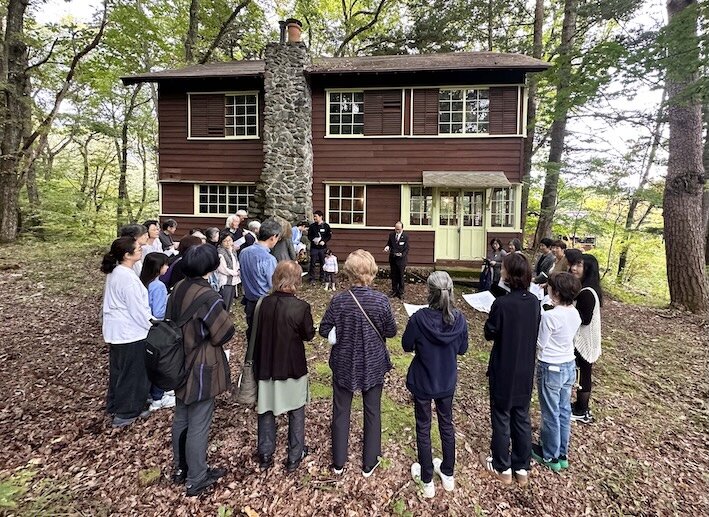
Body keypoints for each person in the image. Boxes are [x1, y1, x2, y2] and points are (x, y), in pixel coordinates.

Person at [319, 250, 397, 477]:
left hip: (345, 361)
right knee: (372, 411)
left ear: (349, 273)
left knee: (341, 411)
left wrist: (340, 330)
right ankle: (369, 462)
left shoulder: (339, 301)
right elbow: (391, 331)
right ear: (371, 272)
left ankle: (339, 462)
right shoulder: (380, 301)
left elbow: (324, 329)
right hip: (372, 362)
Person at [170, 244, 235, 497]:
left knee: (181, 416)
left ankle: (180, 468)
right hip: (200, 364)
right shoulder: (208, 296)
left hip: (177, 359)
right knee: (199, 421)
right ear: (210, 267)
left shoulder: (178, 287)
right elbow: (223, 332)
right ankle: (196, 477)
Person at [403, 272, 468, 498]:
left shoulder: (419, 318)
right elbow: (462, 349)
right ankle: (447, 474)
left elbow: (406, 345)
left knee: (424, 426)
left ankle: (428, 479)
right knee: (446, 424)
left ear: (428, 292)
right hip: (446, 380)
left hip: (424, 380)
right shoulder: (459, 319)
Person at [480, 253, 541, 486]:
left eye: (504, 269)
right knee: (521, 416)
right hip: (526, 367)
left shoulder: (502, 304)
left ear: (510, 274)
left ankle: (502, 466)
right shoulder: (534, 302)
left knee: (501, 415)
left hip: (504, 366)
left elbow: (490, 332)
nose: (502, 272)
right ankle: (522, 467)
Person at [254, 261, 316, 472]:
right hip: (291, 366)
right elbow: (309, 334)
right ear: (297, 280)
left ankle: (265, 453)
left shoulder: (263, 303)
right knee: (296, 410)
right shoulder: (300, 307)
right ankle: (294, 455)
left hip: (266, 364)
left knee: (266, 408)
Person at [101, 236, 153, 428]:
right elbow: (137, 310)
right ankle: (126, 412)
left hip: (119, 332)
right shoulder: (126, 278)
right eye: (137, 248)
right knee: (132, 373)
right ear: (127, 255)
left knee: (120, 370)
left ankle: (116, 405)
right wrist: (153, 325)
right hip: (130, 333)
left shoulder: (117, 272)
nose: (140, 250)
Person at [532, 272, 582, 473]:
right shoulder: (574, 313)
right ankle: (562, 453)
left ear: (557, 292)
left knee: (550, 412)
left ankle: (549, 454)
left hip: (551, 366)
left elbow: (540, 344)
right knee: (563, 410)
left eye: (550, 288)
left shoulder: (550, 316)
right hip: (568, 364)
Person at [139, 252, 176, 412]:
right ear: (158, 267)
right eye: (165, 265)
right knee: (161, 363)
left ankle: (151, 394)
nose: (167, 267)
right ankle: (158, 397)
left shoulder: (142, 282)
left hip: (143, 328)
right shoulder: (158, 286)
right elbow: (159, 312)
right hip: (157, 328)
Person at [569, 254, 603, 424]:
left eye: (579, 265)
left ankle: (581, 409)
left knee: (583, 375)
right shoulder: (586, 289)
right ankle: (580, 406)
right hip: (586, 340)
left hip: (584, 341)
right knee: (583, 373)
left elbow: (584, 319)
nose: (574, 268)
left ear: (588, 269)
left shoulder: (587, 293)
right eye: (574, 265)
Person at [239, 218, 280, 341]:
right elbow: (273, 285)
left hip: (249, 301)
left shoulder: (244, 252)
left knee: (252, 336)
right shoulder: (269, 259)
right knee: (265, 339)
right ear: (273, 237)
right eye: (277, 238)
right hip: (264, 304)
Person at [216, 230, 240, 311]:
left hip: (233, 280)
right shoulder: (220, 252)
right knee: (224, 302)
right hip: (224, 281)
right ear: (221, 242)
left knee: (229, 302)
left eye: (229, 240)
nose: (228, 243)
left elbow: (236, 263)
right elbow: (222, 269)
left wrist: (238, 270)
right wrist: (235, 273)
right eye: (225, 241)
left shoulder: (232, 250)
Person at [384, 221, 409, 299]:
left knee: (400, 276)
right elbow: (389, 244)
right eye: (396, 229)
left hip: (401, 260)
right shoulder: (391, 235)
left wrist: (402, 254)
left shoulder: (405, 236)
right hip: (393, 258)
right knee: (393, 275)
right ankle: (394, 290)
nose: (397, 231)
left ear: (402, 229)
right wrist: (387, 247)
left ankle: (401, 292)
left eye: (398, 229)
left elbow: (406, 249)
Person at [307, 210, 332, 283]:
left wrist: (324, 241)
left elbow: (329, 236)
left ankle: (322, 277)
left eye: (316, 216)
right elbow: (309, 236)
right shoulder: (312, 226)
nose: (314, 218)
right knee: (313, 263)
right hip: (314, 248)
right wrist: (313, 240)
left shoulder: (326, 226)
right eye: (314, 216)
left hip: (322, 248)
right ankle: (312, 278)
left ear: (321, 217)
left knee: (323, 263)